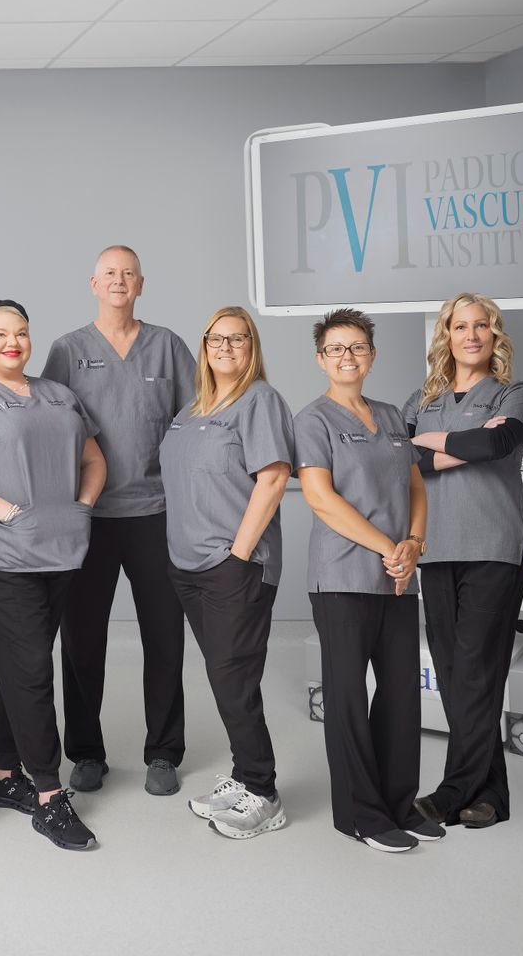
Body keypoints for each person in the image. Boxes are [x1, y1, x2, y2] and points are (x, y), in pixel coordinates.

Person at [0, 299, 105, 852]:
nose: (13, 341)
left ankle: (3, 776)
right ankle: (49, 795)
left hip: (62, 547)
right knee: (33, 668)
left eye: (22, 333)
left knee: (21, 666)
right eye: (0, 333)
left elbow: (94, 460)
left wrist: (81, 506)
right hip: (1, 555)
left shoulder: (61, 394)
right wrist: (10, 515)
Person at [40, 245, 194, 798]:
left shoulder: (169, 347)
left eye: (128, 274)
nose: (119, 281)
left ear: (141, 284)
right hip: (91, 517)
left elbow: (196, 421)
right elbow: (50, 426)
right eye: (110, 273)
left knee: (164, 636)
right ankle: (85, 752)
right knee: (82, 639)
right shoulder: (68, 350)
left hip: (156, 512)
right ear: (93, 283)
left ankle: (164, 752)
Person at [295, 308, 442, 853]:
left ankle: (400, 802)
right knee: (349, 697)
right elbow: (320, 498)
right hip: (342, 578)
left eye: (357, 347)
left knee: (402, 693)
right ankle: (361, 815)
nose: (348, 356)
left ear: (372, 356)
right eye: (336, 349)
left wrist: (414, 547)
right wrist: (389, 548)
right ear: (321, 359)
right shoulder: (313, 420)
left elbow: (416, 490)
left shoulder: (390, 416)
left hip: (398, 577)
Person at [404, 293, 523, 831]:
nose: (472, 335)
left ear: (493, 333)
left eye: (481, 325)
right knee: (457, 673)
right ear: (447, 336)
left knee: (478, 674)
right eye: (460, 326)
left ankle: (451, 791)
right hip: (436, 549)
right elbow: (403, 458)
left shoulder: (514, 393)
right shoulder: (422, 398)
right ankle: (490, 796)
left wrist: (432, 446)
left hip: (495, 549)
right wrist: (460, 444)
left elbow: (499, 444)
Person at [160, 306, 292, 841]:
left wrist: (238, 556)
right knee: (223, 675)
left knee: (234, 679)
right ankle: (243, 775)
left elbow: (274, 478)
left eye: (238, 339)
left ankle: (263, 792)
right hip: (187, 566)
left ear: (252, 346)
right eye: (216, 338)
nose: (225, 347)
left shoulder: (259, 400)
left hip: (233, 566)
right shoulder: (191, 409)